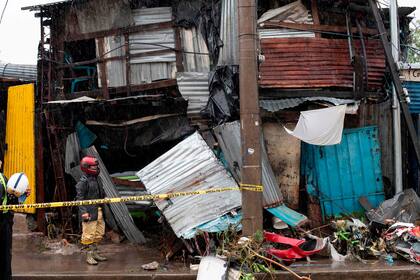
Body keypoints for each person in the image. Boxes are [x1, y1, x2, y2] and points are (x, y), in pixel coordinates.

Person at [76, 156, 108, 265]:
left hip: (98, 210)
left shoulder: (97, 179)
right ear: (86, 167)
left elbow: (101, 192)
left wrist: (105, 198)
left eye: (96, 166)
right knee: (88, 235)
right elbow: (79, 199)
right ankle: (89, 256)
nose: (96, 168)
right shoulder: (82, 182)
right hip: (89, 212)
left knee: (98, 233)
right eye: (93, 167)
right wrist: (83, 212)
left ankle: (95, 253)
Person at [0, 172, 31, 280]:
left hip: (5, 222)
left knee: (5, 256)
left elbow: (9, 200)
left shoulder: (3, 177)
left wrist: (22, 196)